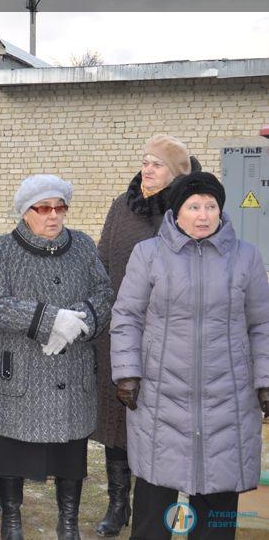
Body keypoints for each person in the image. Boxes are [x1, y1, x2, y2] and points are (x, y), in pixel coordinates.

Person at [110, 172, 269, 540]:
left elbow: (262, 325)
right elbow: (127, 316)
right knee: (154, 508)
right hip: (162, 399)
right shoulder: (148, 255)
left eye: (211, 206)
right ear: (176, 212)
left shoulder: (246, 257)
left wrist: (264, 380)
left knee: (216, 514)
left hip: (227, 400)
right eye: (194, 206)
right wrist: (128, 373)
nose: (203, 215)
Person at [0, 174, 113, 540]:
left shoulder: (83, 246)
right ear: (25, 213)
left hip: (71, 371)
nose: (53, 215)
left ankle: (67, 522)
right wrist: (50, 319)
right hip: (21, 370)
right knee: (10, 452)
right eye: (43, 208)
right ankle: (12, 519)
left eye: (60, 207)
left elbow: (104, 294)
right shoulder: (1, 250)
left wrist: (78, 323)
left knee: (70, 454)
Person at [90, 134, 193, 537]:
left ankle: (161, 502)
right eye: (145, 161)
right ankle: (118, 505)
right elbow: (102, 258)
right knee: (118, 419)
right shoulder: (122, 205)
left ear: (177, 173)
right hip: (122, 329)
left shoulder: (187, 211)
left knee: (162, 422)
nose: (147, 169)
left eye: (157, 164)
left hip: (171, 336)